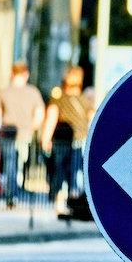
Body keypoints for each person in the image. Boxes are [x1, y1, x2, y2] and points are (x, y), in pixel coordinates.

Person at [0, 62, 45, 206]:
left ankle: (12, 194)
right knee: (19, 162)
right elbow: (39, 114)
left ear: (12, 74)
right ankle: (15, 191)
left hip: (7, 131)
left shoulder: (5, 92)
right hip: (25, 133)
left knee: (10, 163)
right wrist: (33, 127)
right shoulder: (33, 92)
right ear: (26, 75)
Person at [41, 66, 93, 205]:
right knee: (76, 171)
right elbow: (92, 120)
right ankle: (75, 199)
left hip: (61, 141)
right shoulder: (85, 100)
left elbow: (51, 118)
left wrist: (45, 139)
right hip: (81, 140)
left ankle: (59, 199)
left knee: (60, 169)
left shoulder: (59, 100)